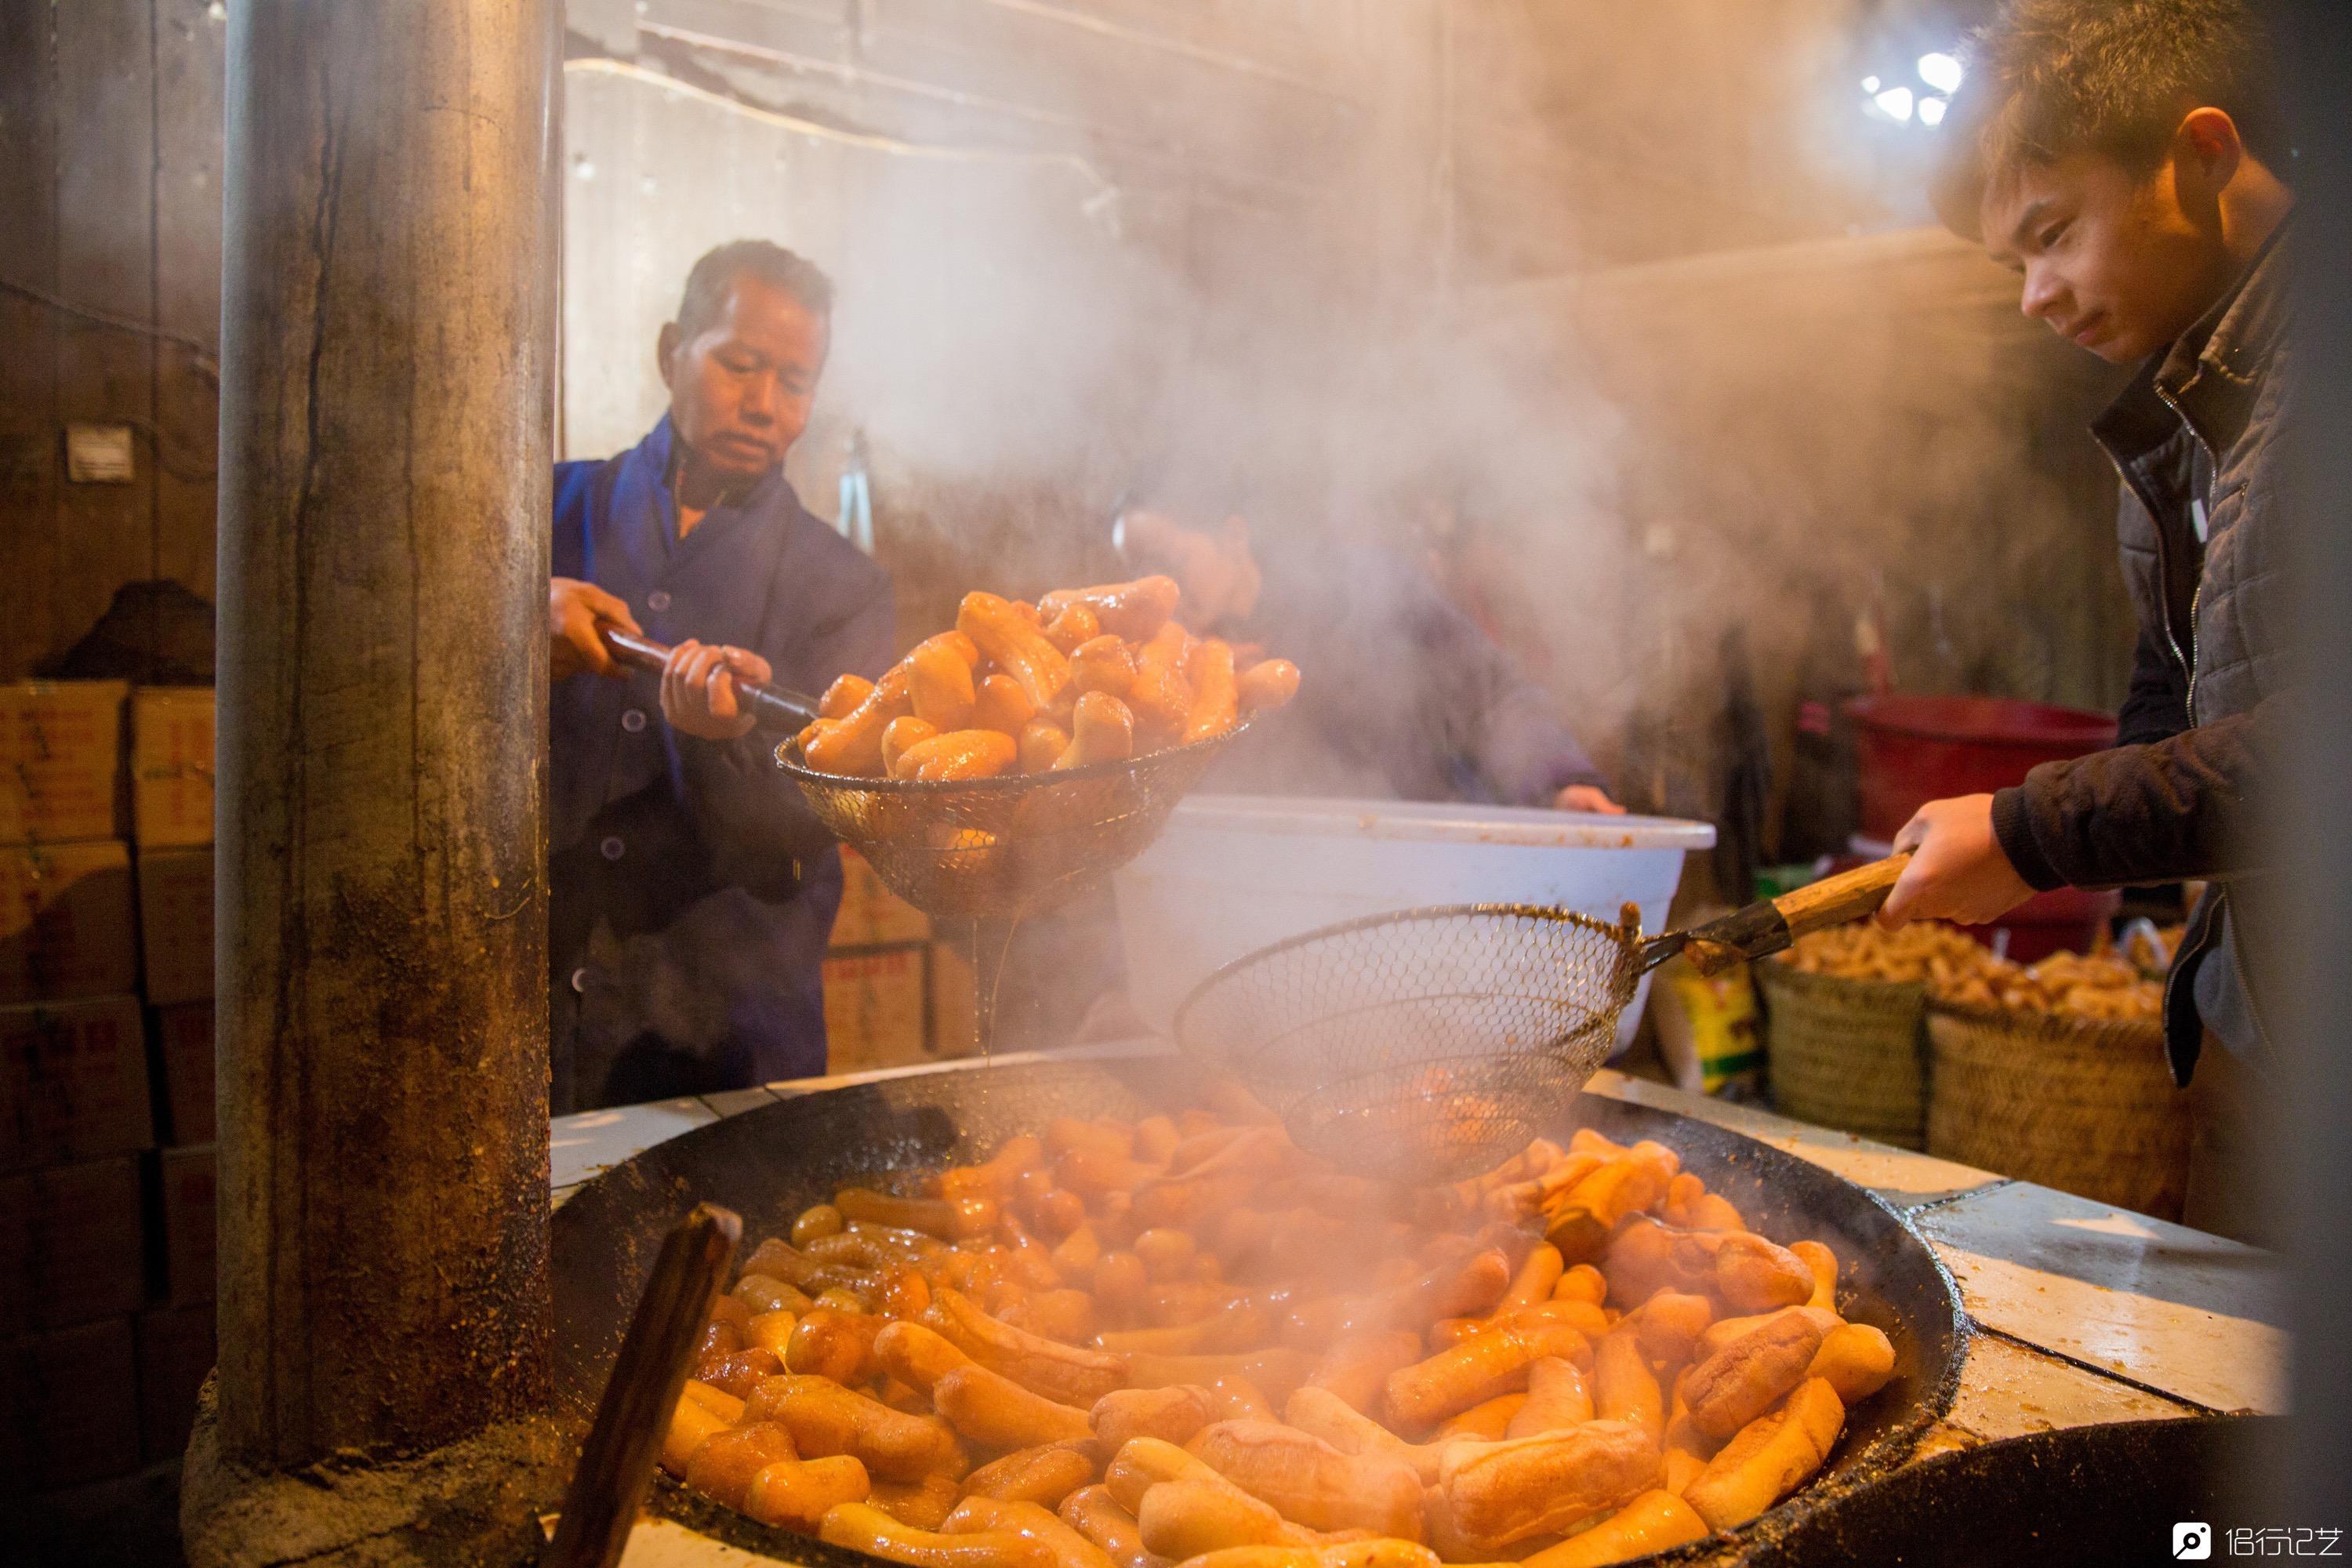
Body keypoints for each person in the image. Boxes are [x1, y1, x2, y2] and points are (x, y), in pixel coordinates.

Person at [1880, 0, 2292, 1241]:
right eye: (2014, 265)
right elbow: (2177, 707)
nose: (2034, 299)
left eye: (2052, 235)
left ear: (2206, 153)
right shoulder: (2179, 422)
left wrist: (2029, 827)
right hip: (2257, 1028)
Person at [546, 241, 894, 1109]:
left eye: (795, 381)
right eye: (739, 365)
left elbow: (805, 825)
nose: (764, 404)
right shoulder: (542, 513)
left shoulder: (844, 586)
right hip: (531, 1009)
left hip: (724, 1040)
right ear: (673, 352)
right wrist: (507, 612)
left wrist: (717, 749)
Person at [1113, 506, 1624, 812]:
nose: (1158, 590)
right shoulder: (1169, 670)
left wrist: (1561, 783)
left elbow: (1491, 691)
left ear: (1232, 536)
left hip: (1429, 872)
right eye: (1137, 570)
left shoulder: (1362, 590)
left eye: (1171, 561)